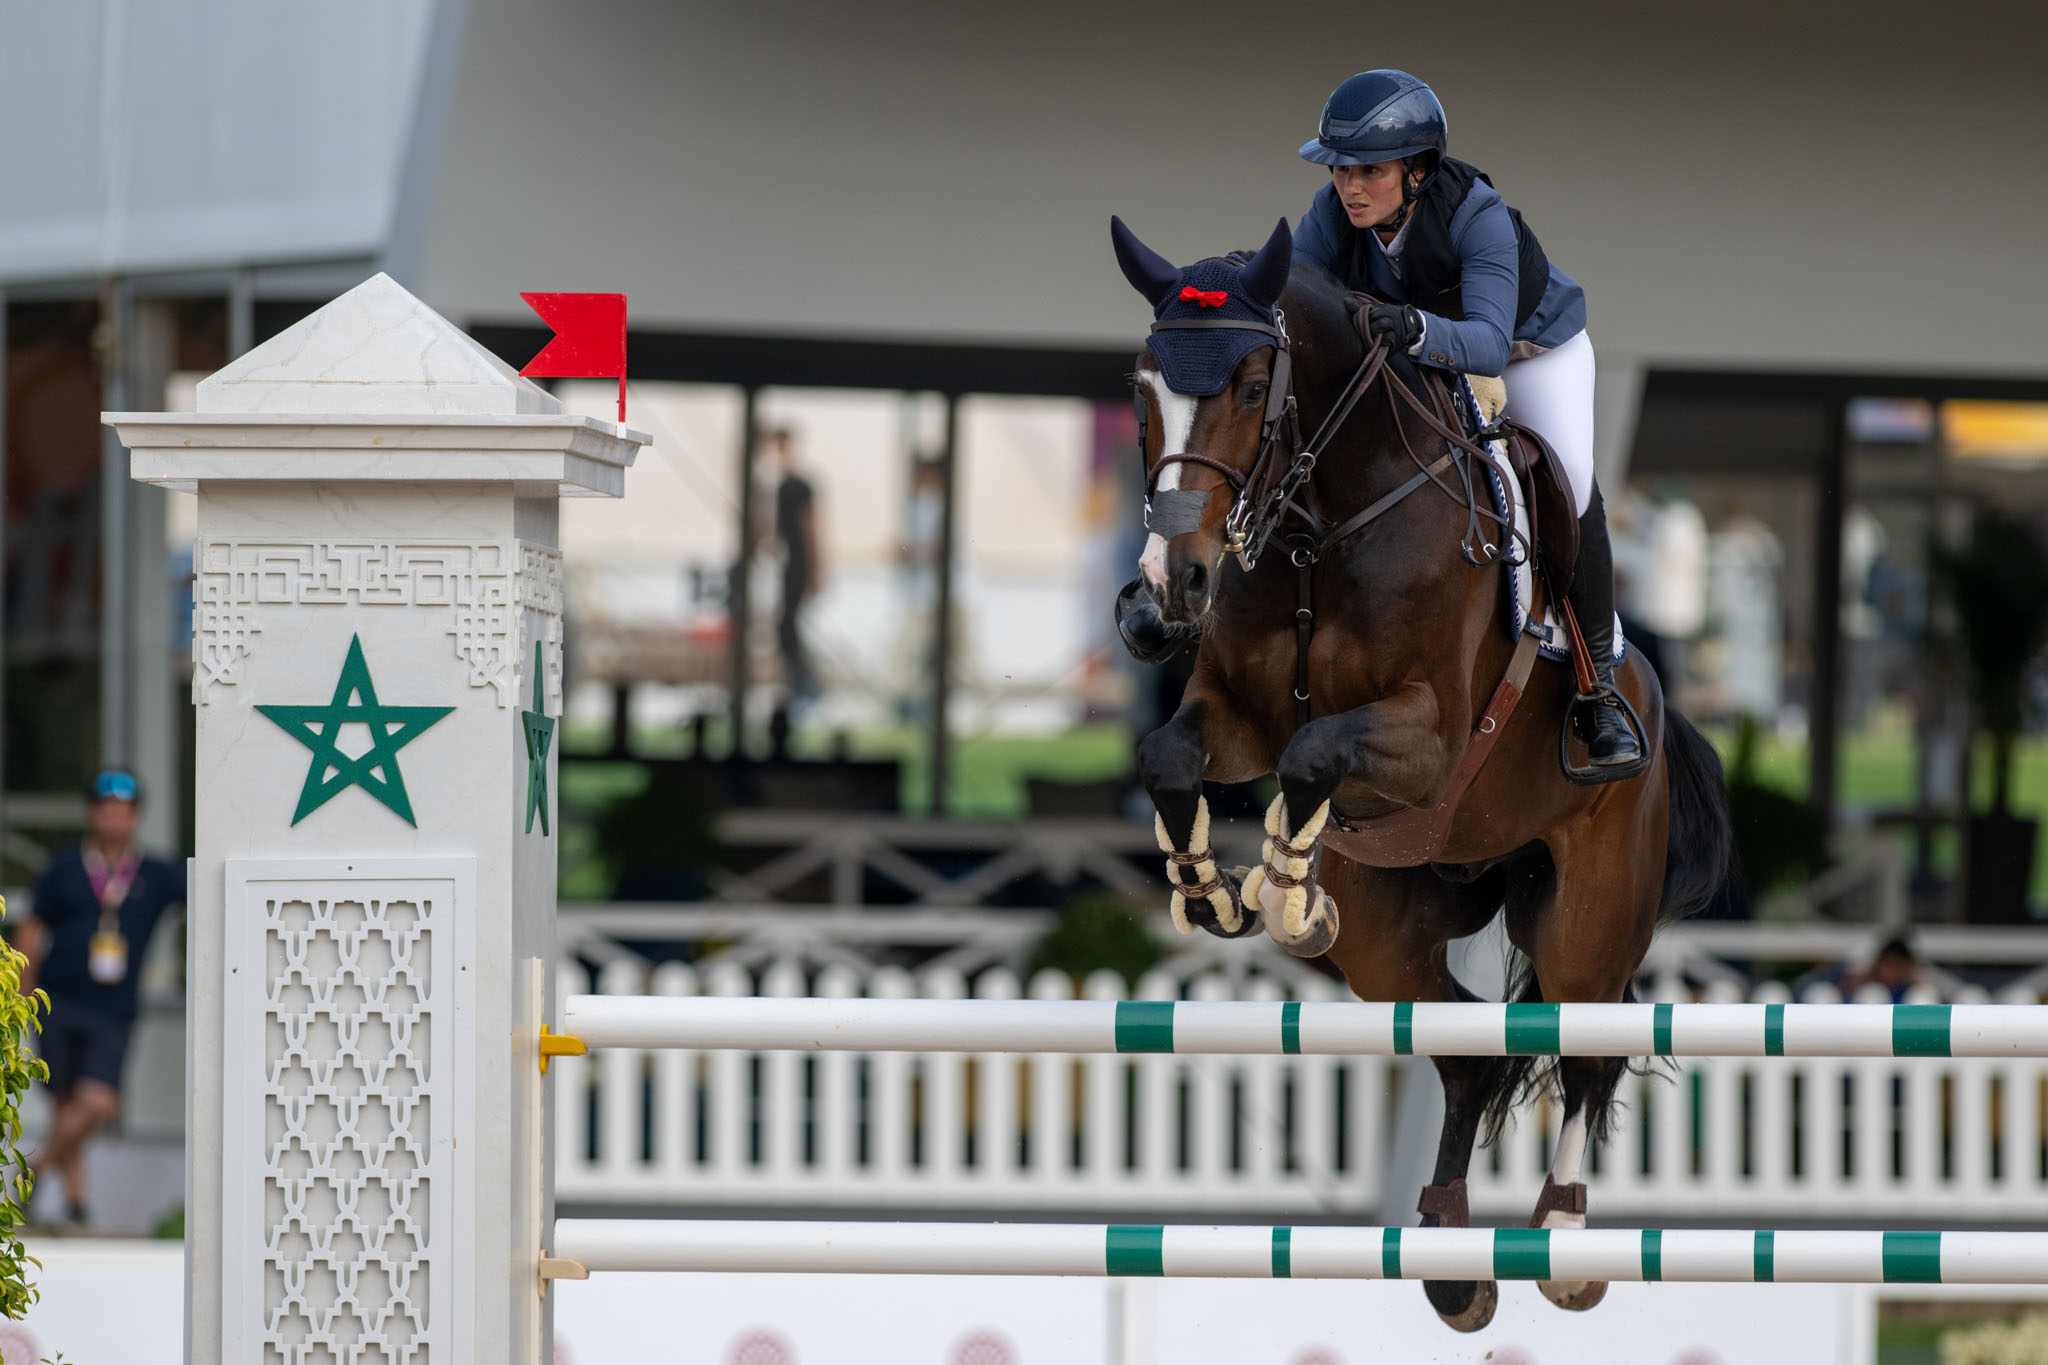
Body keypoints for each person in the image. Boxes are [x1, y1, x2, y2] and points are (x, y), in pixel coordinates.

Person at [1118, 69, 1640, 770]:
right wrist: (1232, 294)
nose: (1350, 186)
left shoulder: (1475, 215)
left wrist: (1414, 325)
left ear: (1418, 172)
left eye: (1370, 170)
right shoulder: (1333, 212)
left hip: (1526, 348)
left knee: (1570, 482)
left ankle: (1598, 684)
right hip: (1412, 343)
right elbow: (1293, 301)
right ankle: (1180, 587)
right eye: (1340, 169)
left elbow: (1485, 341)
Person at [19, 770, 184, 1229]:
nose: (114, 818)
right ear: (94, 814)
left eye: (123, 811)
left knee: (98, 1101)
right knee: (66, 1102)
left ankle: (35, 1173)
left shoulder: (155, 873)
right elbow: (33, 927)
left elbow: (202, 899)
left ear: (135, 817)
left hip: (113, 1008)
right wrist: (22, 990)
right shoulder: (65, 867)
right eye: (106, 810)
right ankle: (76, 1207)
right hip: (58, 1000)